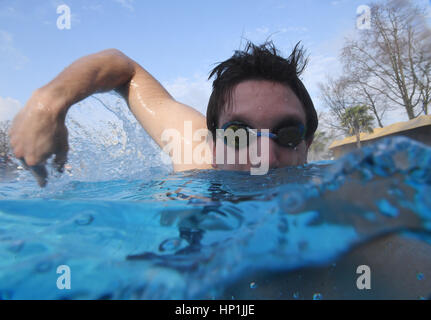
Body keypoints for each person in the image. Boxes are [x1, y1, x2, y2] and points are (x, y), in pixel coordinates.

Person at [8, 41, 317, 187]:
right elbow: (124, 69)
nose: (264, 158)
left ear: (307, 145)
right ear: (211, 144)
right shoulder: (195, 153)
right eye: (238, 135)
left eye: (288, 135)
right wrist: (48, 103)